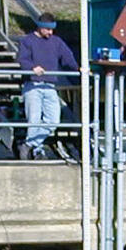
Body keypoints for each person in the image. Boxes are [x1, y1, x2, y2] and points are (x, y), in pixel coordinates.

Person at [16, 13, 78, 159]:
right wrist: (32, 68)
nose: (50, 33)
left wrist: (78, 68)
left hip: (49, 85)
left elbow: (67, 57)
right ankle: (37, 149)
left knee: (53, 120)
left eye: (52, 30)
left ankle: (29, 144)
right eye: (48, 30)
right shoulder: (27, 41)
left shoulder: (56, 42)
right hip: (33, 85)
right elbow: (21, 59)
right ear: (40, 27)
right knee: (34, 119)